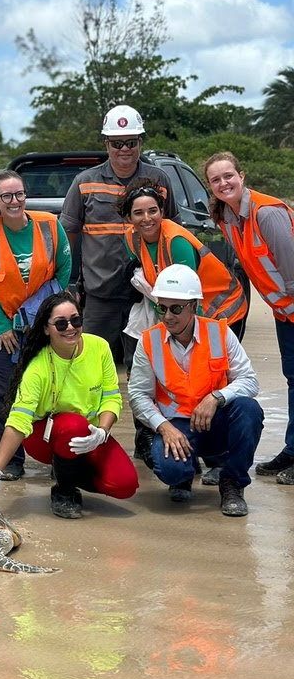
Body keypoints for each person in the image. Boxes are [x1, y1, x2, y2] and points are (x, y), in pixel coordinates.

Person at [117, 176, 248, 470]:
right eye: (138, 213)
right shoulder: (131, 237)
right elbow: (151, 281)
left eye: (153, 210)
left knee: (214, 381)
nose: (146, 218)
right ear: (129, 217)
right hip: (178, 311)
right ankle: (182, 445)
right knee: (182, 381)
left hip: (219, 310)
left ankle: (217, 458)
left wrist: (168, 323)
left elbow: (189, 299)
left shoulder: (176, 241)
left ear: (162, 211)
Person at [0, 291, 138, 519]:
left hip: (90, 434)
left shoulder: (99, 347)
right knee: (73, 424)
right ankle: (64, 491)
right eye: (60, 323)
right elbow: (18, 420)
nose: (70, 328)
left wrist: (102, 432)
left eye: (76, 320)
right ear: (46, 328)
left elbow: (112, 397)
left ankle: (66, 469)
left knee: (124, 484)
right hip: (45, 437)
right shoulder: (38, 367)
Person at [128, 265, 263, 517]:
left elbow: (250, 381)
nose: (168, 316)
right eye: (162, 308)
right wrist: (163, 427)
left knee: (249, 409)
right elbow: (138, 395)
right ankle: (183, 475)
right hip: (177, 427)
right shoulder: (148, 341)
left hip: (216, 422)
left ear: (193, 306)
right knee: (170, 470)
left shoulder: (220, 333)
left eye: (176, 309)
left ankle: (232, 483)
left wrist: (216, 397)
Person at [60, 104, 179, 367]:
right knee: (89, 366)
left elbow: (173, 231)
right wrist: (64, 286)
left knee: (150, 367)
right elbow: (66, 237)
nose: (124, 149)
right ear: (107, 144)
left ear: (141, 142)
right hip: (101, 295)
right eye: (117, 143)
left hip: (150, 294)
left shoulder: (159, 179)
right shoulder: (84, 181)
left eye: (131, 142)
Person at [0, 169, 71, 481]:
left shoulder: (49, 224)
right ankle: (12, 461)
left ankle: (57, 457)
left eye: (19, 194)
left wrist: (44, 313)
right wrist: (3, 326)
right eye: (7, 196)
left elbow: (65, 267)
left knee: (52, 387)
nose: (14, 201)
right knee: (5, 391)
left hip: (44, 323)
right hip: (1, 327)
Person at [205, 151, 294, 484]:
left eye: (229, 176)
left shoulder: (267, 214)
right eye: (216, 179)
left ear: (241, 175)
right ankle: (292, 449)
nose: (224, 183)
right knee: (293, 381)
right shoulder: (228, 218)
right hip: (286, 313)